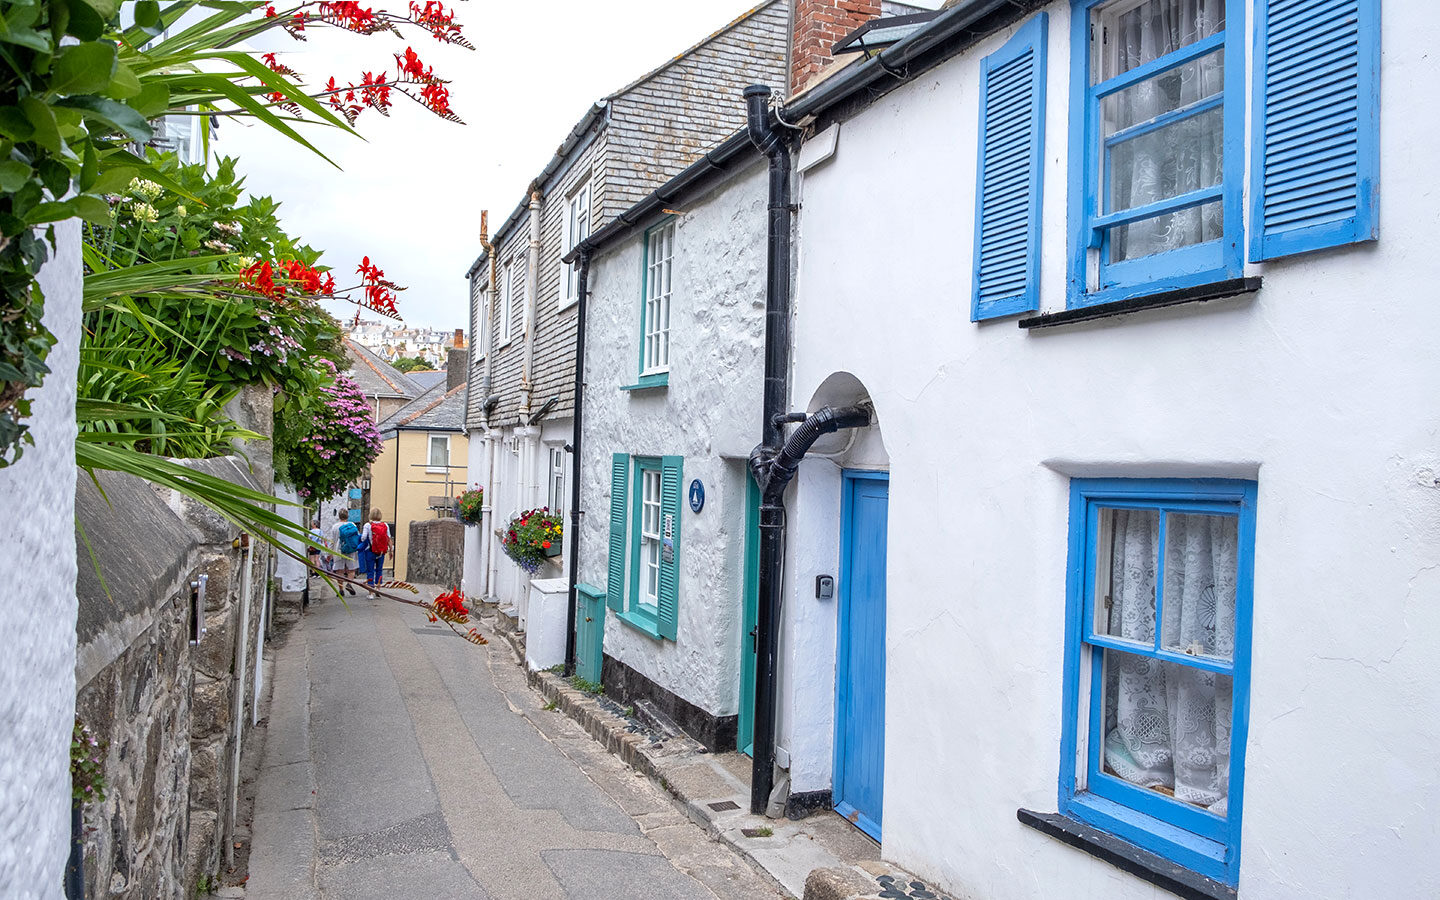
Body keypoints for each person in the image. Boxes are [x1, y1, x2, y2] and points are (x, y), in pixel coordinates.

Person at [360, 508, 390, 595]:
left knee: (370, 571)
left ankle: (371, 592)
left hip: (370, 551)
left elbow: (363, 538)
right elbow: (388, 538)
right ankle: (378, 589)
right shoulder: (385, 525)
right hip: (381, 551)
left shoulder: (368, 525)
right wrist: (390, 550)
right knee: (379, 570)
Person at [327, 510, 358, 595]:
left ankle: (341, 589)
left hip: (338, 550)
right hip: (350, 549)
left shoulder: (335, 527)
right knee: (351, 569)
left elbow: (332, 541)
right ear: (347, 516)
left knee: (339, 570)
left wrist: (329, 553)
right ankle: (349, 583)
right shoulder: (352, 525)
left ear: (339, 516)